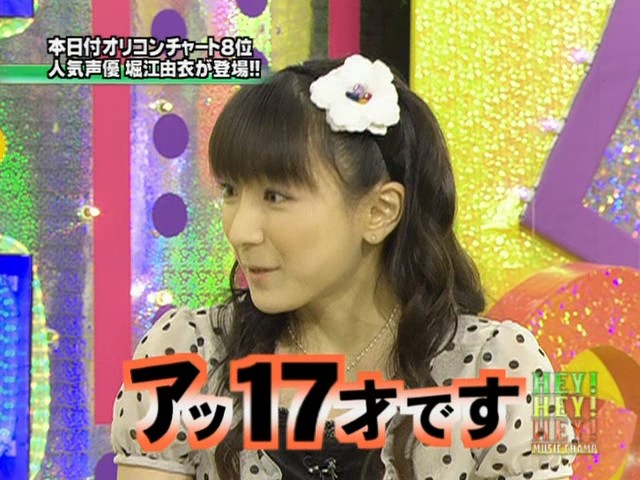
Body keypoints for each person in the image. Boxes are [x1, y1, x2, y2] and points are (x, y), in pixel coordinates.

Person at [111, 55, 575, 479]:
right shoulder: (186, 357)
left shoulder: (498, 371)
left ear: (379, 212)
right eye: (231, 191)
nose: (240, 230)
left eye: (275, 196)